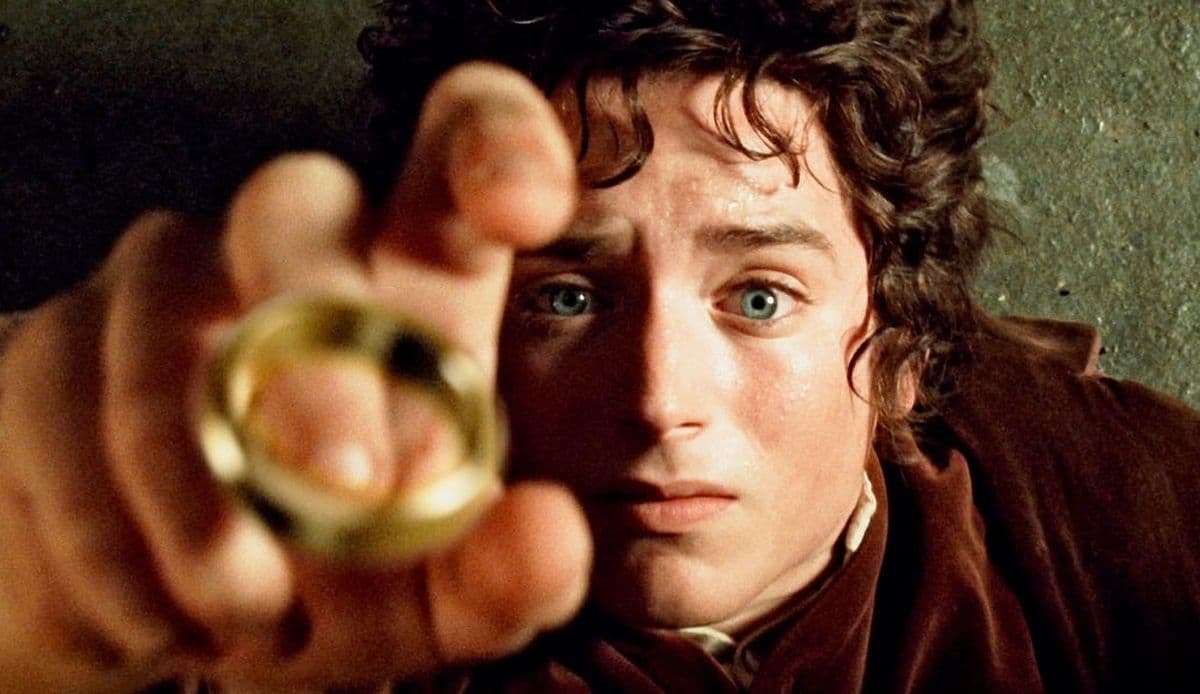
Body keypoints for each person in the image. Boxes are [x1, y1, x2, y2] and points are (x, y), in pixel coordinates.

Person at [0, 0, 1197, 691]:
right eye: (568, 296)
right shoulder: (282, 589)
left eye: (759, 296)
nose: (660, 398)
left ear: (900, 346)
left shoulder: (1128, 526)